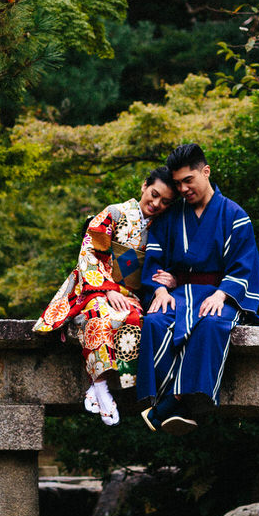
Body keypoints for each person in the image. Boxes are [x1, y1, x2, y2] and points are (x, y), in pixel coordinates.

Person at [33, 168, 178, 425]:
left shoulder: (164, 227)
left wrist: (171, 279)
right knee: (98, 314)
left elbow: (168, 264)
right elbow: (89, 252)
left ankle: (101, 387)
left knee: (135, 320)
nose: (156, 204)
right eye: (154, 195)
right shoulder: (114, 213)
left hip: (131, 295)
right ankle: (100, 385)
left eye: (165, 201)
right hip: (95, 287)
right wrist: (107, 288)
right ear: (144, 186)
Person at [136, 143, 259, 434]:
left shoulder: (234, 215)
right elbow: (155, 257)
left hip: (220, 294)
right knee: (155, 320)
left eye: (188, 180)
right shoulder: (170, 216)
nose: (182, 189)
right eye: (177, 183)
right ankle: (176, 406)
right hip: (178, 294)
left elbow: (244, 266)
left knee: (212, 325)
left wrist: (222, 293)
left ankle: (172, 403)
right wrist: (159, 290)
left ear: (205, 172)